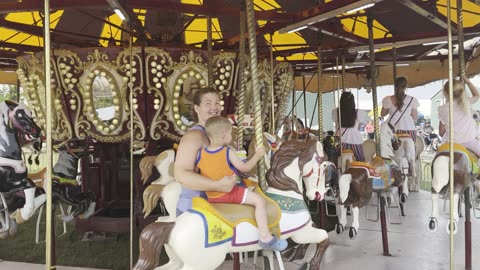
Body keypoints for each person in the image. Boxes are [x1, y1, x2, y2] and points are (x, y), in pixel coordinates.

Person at [196, 115, 288, 251]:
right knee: (259, 201)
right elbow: (245, 168)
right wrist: (258, 154)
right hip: (229, 193)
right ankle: (265, 237)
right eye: (230, 134)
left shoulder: (200, 153)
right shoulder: (227, 152)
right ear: (224, 134)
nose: (231, 137)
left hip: (212, 196)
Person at [174, 87, 236, 217]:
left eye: (217, 103)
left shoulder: (216, 135)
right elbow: (180, 174)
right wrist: (217, 185)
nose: (214, 107)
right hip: (195, 209)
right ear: (197, 108)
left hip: (216, 204)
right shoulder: (194, 137)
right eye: (208, 104)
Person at [438, 76, 480, 159]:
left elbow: (441, 133)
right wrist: (467, 82)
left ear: (445, 93)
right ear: (461, 92)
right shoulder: (466, 103)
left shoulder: (442, 109)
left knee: (437, 159)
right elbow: (477, 95)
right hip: (469, 141)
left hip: (450, 143)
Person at [381, 76, 420, 142]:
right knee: (411, 150)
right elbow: (415, 117)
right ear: (405, 87)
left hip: (393, 130)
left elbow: (382, 114)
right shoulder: (412, 100)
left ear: (395, 86)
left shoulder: (388, 99)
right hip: (408, 129)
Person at [333, 91, 366, 161]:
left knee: (334, 159)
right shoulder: (359, 112)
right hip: (355, 142)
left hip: (340, 142)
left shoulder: (336, 112)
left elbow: (336, 126)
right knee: (361, 161)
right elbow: (359, 127)